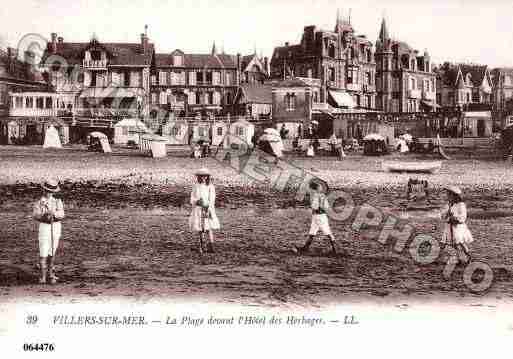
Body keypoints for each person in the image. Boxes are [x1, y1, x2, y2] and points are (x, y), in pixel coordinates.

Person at [33, 179, 65, 284]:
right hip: (44, 227)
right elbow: (36, 215)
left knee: (52, 251)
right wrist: (44, 215)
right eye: (47, 190)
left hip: (55, 226)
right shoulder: (39, 202)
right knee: (43, 251)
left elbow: (62, 214)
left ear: (53, 192)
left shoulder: (57, 201)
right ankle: (42, 276)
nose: (48, 193)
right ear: (43, 190)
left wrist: (54, 214)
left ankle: (51, 274)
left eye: (50, 191)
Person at [294, 181, 337, 255]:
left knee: (327, 232)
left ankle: (335, 249)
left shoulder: (315, 196)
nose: (308, 190)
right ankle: (305, 247)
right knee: (312, 232)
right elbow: (327, 207)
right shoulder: (321, 195)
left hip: (319, 217)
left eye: (309, 188)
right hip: (318, 216)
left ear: (312, 189)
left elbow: (315, 207)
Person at [189, 168, 220, 254]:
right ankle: (202, 246)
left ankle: (211, 246)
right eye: (201, 176)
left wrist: (208, 208)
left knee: (208, 227)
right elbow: (192, 199)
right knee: (200, 228)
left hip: (207, 209)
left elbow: (212, 199)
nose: (203, 178)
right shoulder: (196, 186)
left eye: (205, 176)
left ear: (207, 177)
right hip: (198, 209)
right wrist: (197, 201)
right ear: (198, 177)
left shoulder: (210, 186)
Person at [440, 186, 474, 264]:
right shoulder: (449, 204)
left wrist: (454, 217)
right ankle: (458, 258)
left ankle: (468, 256)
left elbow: (463, 217)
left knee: (460, 243)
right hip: (449, 227)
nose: (448, 196)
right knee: (452, 243)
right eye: (448, 194)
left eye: (449, 194)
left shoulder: (461, 205)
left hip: (458, 227)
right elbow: (442, 215)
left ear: (454, 195)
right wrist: (446, 214)